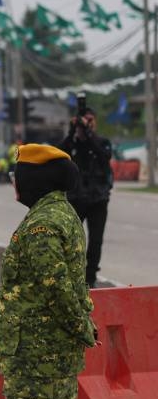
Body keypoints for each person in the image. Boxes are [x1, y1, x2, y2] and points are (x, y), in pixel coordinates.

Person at [0, 143, 95, 399]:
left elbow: (57, 290)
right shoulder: (61, 213)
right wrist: (81, 329)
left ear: (32, 179)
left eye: (16, 175)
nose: (14, 182)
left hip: (38, 347)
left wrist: (81, 326)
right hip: (56, 345)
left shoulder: (41, 225)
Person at [58, 106, 113, 287]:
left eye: (90, 120)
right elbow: (59, 153)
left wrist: (88, 134)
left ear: (95, 122)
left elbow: (104, 156)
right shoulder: (72, 144)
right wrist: (73, 131)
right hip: (76, 198)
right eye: (83, 120)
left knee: (96, 240)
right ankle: (74, 275)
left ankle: (91, 278)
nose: (86, 124)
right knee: (73, 240)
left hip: (99, 199)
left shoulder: (102, 141)